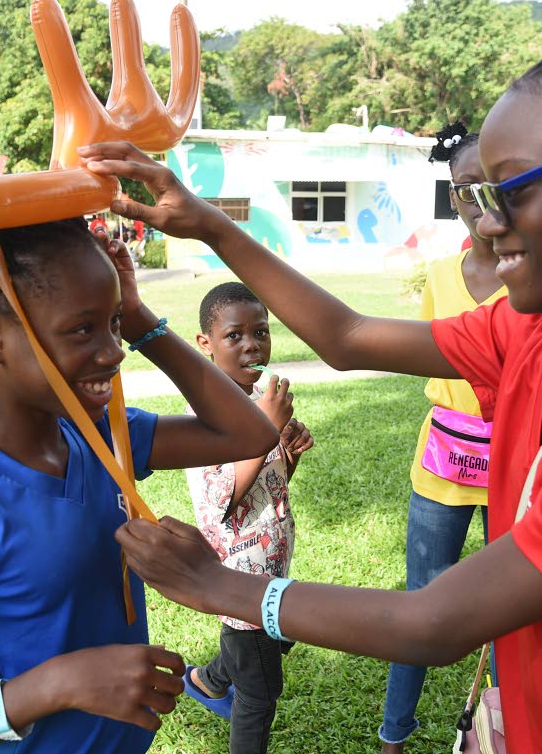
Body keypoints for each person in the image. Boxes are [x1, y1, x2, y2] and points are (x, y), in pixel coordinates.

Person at [87, 0, 542, 752]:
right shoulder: (535, 332)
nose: (486, 223)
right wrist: (210, 225)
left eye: (513, 189)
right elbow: (349, 336)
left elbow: (436, 621)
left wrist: (222, 587)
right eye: (481, 193)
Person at [0, 220, 279, 754]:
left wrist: (139, 318)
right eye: (82, 329)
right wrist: (58, 683)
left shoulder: (108, 437)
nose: (115, 351)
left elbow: (249, 431)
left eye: (113, 324)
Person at [379, 123, 507, 754]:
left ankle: (512, 727)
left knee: (511, 613)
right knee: (420, 606)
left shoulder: (539, 277)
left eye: (493, 182)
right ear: (452, 197)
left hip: (514, 466)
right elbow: (434, 356)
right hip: (443, 468)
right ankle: (393, 737)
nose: (478, 197)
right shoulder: (439, 276)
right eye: (464, 188)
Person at [181, 282, 313, 754]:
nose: (252, 344)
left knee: (270, 642)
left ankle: (208, 679)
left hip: (270, 562)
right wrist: (268, 430)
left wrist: (287, 452)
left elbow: (264, 487)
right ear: (206, 344)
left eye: (261, 332)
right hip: (242, 579)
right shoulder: (203, 416)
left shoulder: (258, 400)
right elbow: (221, 504)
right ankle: (216, 681)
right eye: (234, 335)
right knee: (258, 696)